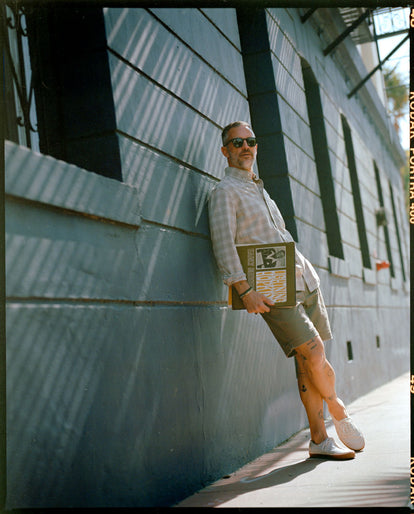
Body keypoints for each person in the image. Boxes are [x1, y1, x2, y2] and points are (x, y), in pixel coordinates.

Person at [208, 120, 365, 460]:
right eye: (237, 143)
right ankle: (339, 412)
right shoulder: (225, 192)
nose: (245, 147)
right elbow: (223, 246)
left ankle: (319, 439)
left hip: (302, 278)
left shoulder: (257, 188)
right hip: (269, 284)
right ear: (225, 151)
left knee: (307, 362)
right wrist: (245, 289)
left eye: (250, 141)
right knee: (316, 352)